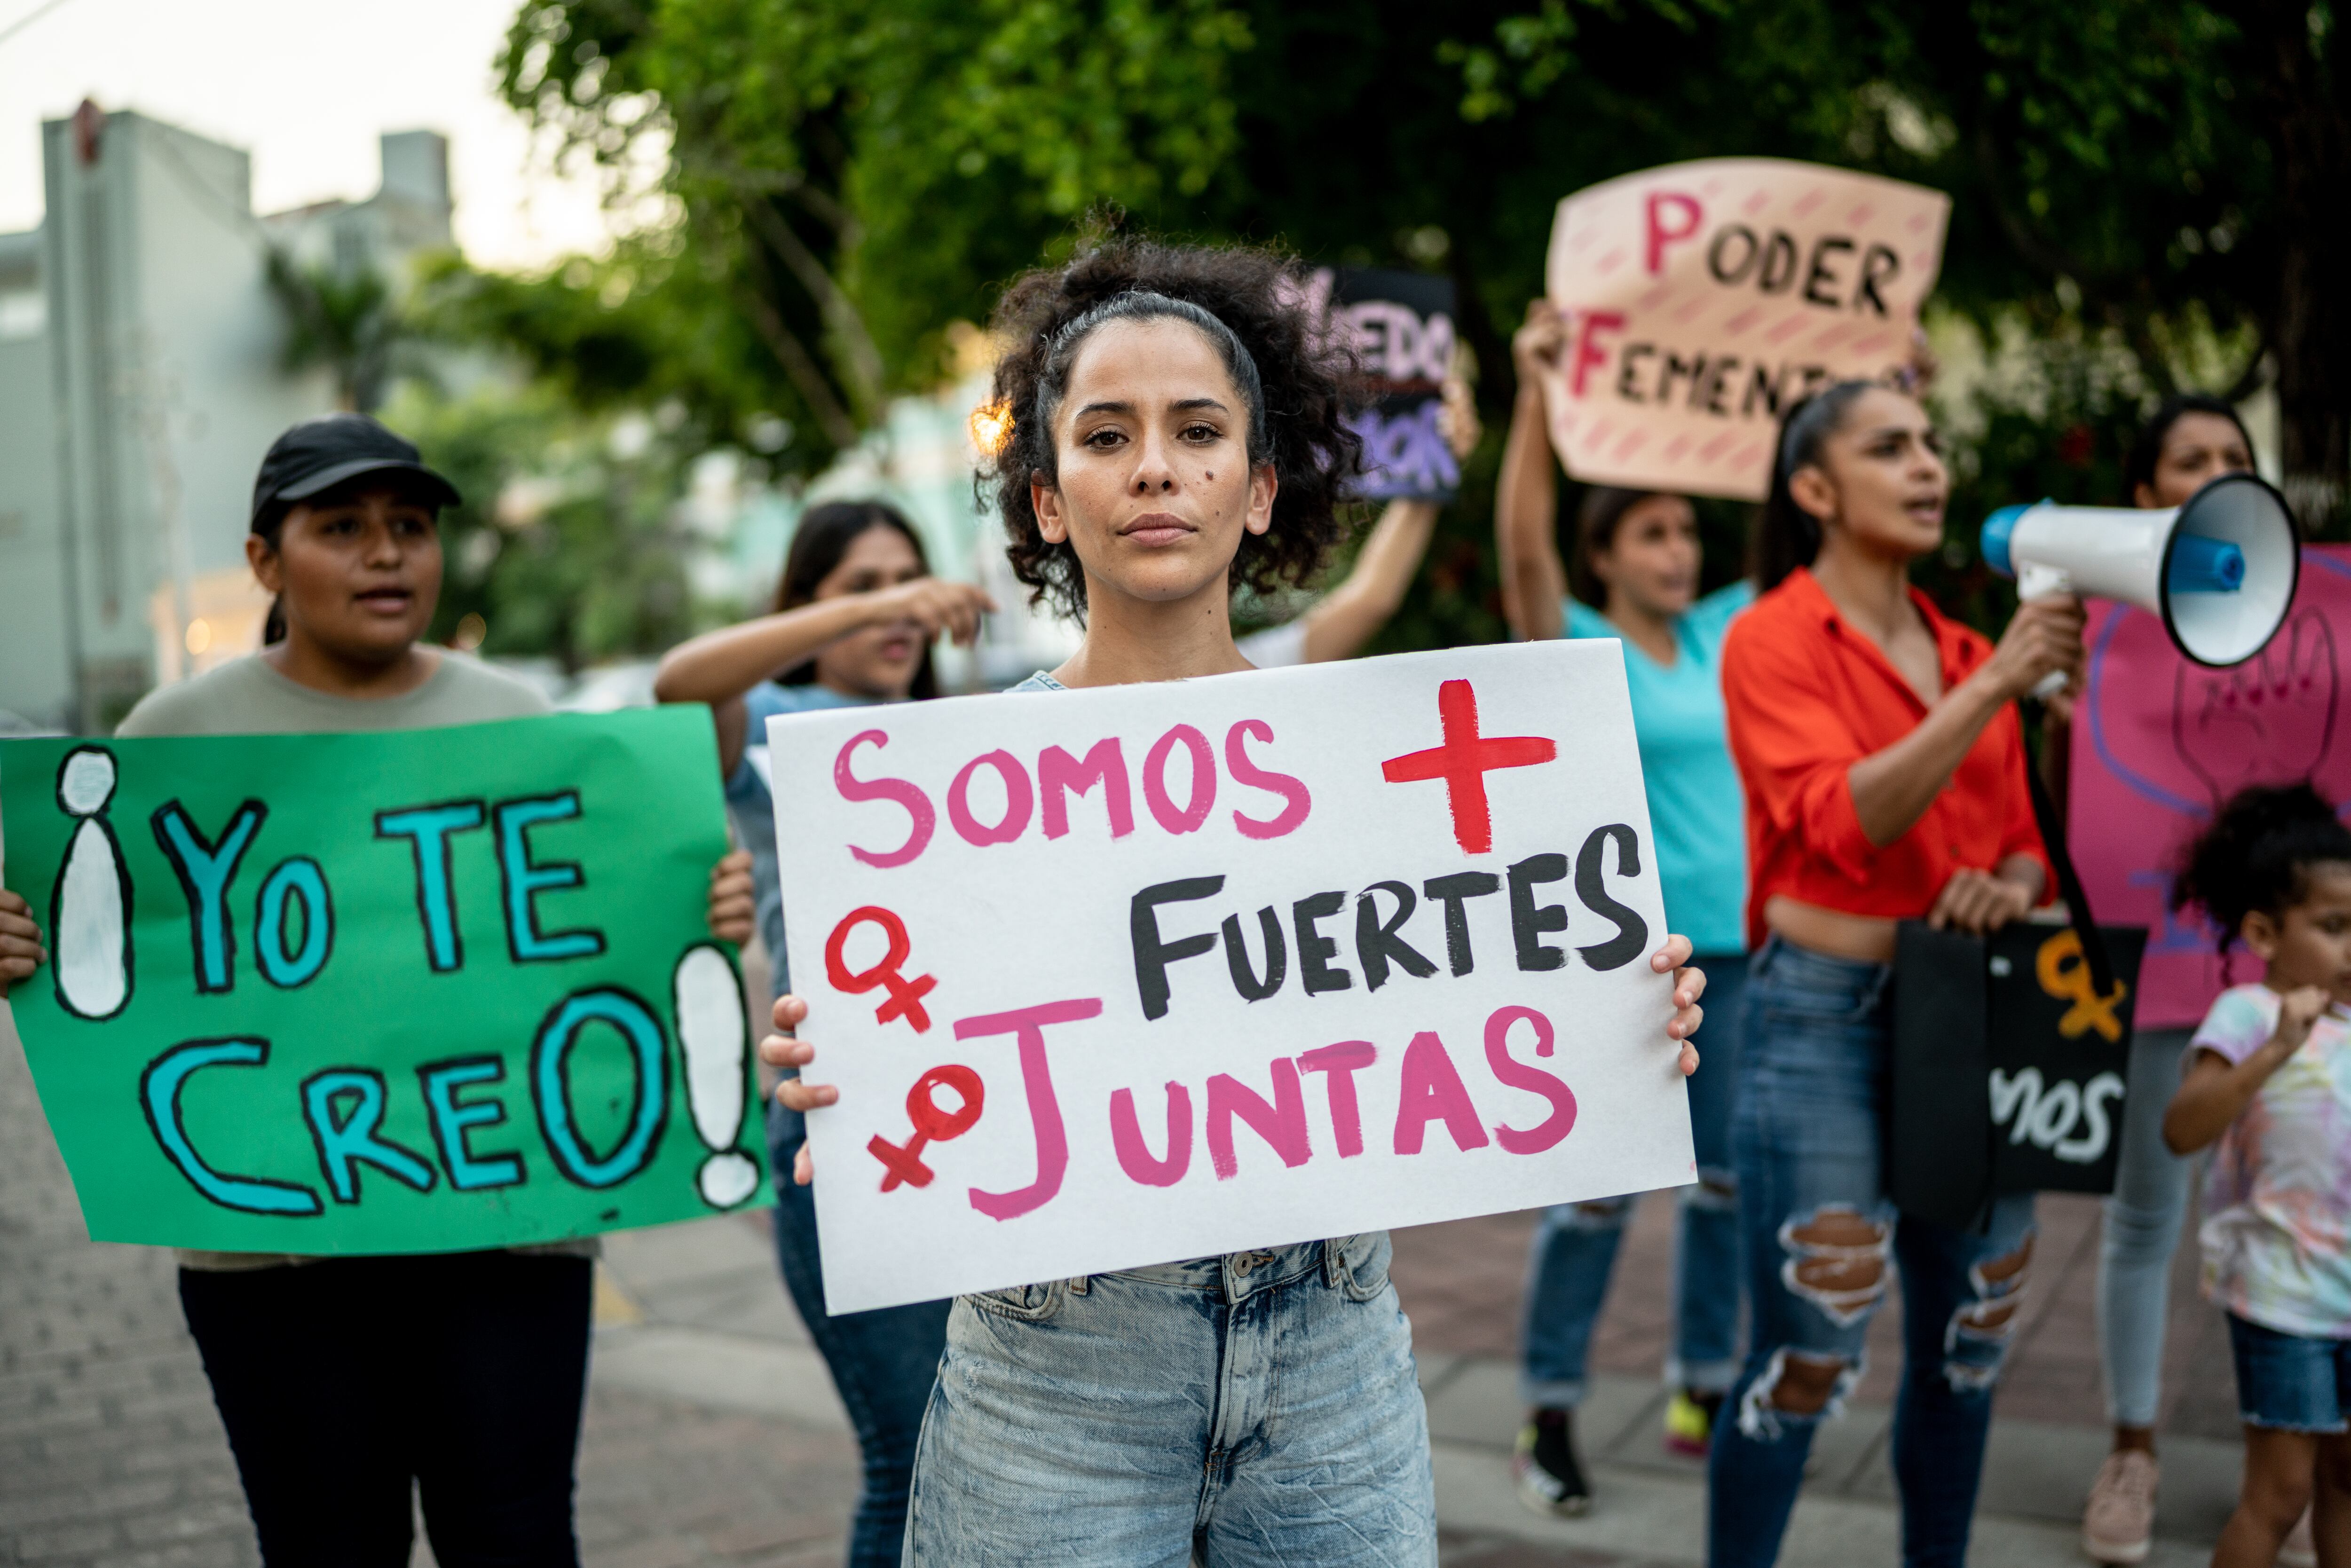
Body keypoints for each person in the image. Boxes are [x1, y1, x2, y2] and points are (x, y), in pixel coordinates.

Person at [756, 238, 1711, 1565]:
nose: (1157, 465)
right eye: (1107, 433)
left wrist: (1612, 1009)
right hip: (1056, 1376)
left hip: (1335, 1357)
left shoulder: (1367, 756)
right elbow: (923, 1043)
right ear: (1043, 499)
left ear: (1261, 490)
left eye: (1200, 430)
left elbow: (1483, 961)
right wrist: (844, 1069)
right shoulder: (939, 797)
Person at [0, 413, 754, 1567]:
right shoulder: (173, 743)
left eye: (409, 526)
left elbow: (620, 918)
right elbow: (98, 952)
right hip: (272, 1266)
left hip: (510, 1239)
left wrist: (698, 907)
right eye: (341, 527)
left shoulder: (516, 723)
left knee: (513, 1538)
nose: (386, 553)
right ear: (265, 561)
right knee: (325, 1545)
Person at [1711, 380, 2086, 1567]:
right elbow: (1843, 823)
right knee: (1805, 1359)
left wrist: (2010, 889)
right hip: (1820, 1021)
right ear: (1814, 490)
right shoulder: (1770, 637)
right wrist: (1990, 688)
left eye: (1931, 442)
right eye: (1890, 448)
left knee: (1967, 1351)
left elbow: (2025, 840)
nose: (1927, 465)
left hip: (1972, 1010)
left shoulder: (1975, 647)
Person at [650, 499, 990, 1568]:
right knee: (914, 1459)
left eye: (909, 579)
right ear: (805, 606)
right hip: (837, 1139)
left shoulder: (966, 733)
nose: (900, 610)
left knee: (983, 1458)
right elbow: (679, 681)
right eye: (863, 587)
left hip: (974, 1131)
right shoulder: (770, 728)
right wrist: (897, 597)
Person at [1493, 298, 1754, 1510]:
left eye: (1686, 532)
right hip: (1624, 966)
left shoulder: (1722, 634)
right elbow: (1524, 554)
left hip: (1742, 963)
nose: (1677, 551)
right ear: (1606, 555)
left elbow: (1794, 527)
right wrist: (1537, 395)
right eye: (1650, 532)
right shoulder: (1579, 636)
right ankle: (1548, 1413)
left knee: (1724, 1191)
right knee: (1593, 1203)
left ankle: (1703, 1378)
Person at [2074, 395, 2269, 1565]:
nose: (2212, 473)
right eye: (2186, 460)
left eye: (2232, 460)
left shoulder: (2311, 614)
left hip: (2287, 973)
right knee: (2146, 1213)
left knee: (2289, 1211)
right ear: (2142, 496)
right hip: (2160, 964)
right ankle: (2132, 1448)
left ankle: (2293, 1461)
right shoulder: (2095, 623)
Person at [2156, 783, 2351, 1568]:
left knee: (2348, 1481)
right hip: (2283, 1296)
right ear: (2265, 933)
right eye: (2336, 927)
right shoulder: (2247, 1015)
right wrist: (2276, 1047)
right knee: (2281, 1493)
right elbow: (2183, 1127)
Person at [1234, 372, 1479, 668]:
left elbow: (1372, 599)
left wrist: (1431, 462)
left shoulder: (1261, 667)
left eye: (1200, 433)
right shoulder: (1262, 669)